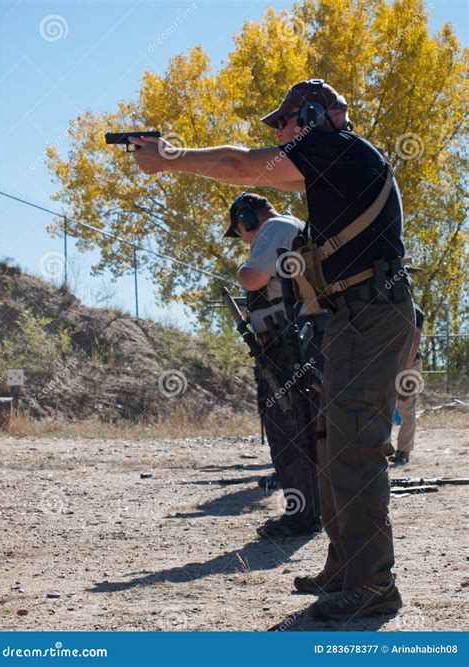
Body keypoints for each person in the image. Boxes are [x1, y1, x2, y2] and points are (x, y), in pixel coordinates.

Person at [130, 78, 415, 620]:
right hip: (355, 316)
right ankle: (346, 567)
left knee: (353, 445)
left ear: (310, 114)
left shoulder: (336, 148)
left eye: (283, 123)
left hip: (371, 312)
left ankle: (374, 584)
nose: (281, 135)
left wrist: (168, 158)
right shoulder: (338, 164)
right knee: (335, 443)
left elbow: (243, 165)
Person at [224, 192, 328, 538]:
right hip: (301, 341)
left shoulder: (273, 229)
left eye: (240, 230)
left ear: (247, 218)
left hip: (287, 347)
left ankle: (302, 516)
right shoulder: (293, 227)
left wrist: (242, 271)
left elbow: (253, 278)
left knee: (288, 431)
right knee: (309, 429)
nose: (243, 238)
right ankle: (314, 510)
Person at [389, 303, 424, 465]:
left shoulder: (415, 311)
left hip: (407, 364)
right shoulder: (390, 307)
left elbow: (415, 341)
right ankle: (386, 448)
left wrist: (406, 367)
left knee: (406, 407)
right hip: (392, 362)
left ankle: (404, 451)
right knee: (383, 406)